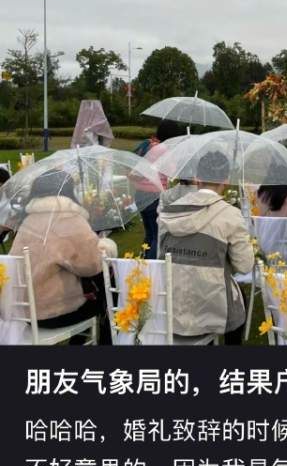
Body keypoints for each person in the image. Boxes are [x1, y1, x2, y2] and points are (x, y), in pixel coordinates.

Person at [157, 150, 254, 343]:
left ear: (196, 178)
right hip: (212, 307)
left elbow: (161, 256)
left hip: (171, 304)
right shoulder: (230, 215)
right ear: (226, 181)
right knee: (238, 304)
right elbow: (245, 266)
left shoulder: (169, 212)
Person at [9, 171, 115, 343]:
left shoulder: (28, 219)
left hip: (25, 311)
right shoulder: (68, 218)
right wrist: (106, 247)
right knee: (108, 293)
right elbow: (92, 266)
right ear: (69, 190)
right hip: (55, 311)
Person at [134, 120, 181, 257]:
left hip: (140, 193)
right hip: (153, 195)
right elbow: (172, 172)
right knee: (157, 234)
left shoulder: (150, 145)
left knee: (149, 233)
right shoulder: (164, 150)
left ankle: (143, 261)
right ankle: (152, 263)